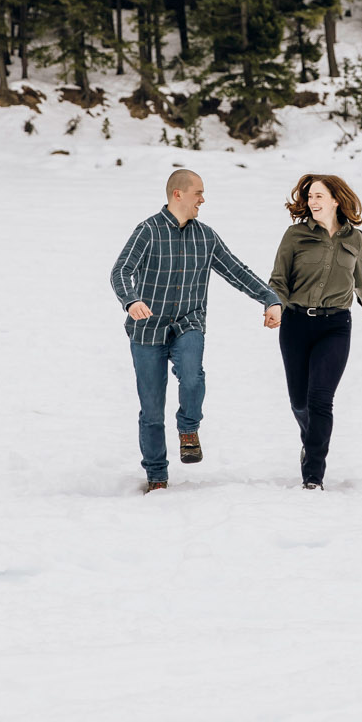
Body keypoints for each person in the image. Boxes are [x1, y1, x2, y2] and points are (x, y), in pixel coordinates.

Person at [109, 168, 282, 493]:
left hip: (189, 322)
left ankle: (189, 428)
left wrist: (269, 299)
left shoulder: (206, 236)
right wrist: (130, 300)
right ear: (178, 194)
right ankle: (157, 477)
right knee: (151, 410)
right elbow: (121, 270)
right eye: (198, 192)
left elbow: (236, 270)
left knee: (192, 376)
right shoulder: (148, 231)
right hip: (147, 330)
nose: (203, 199)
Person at [268, 173, 362, 490]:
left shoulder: (354, 239)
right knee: (299, 402)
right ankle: (311, 438)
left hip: (336, 325)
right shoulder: (295, 235)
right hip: (295, 323)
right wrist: (275, 305)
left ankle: (313, 475)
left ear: (335, 199)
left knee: (320, 399)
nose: (313, 202)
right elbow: (279, 279)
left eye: (319, 196)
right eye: (310, 196)